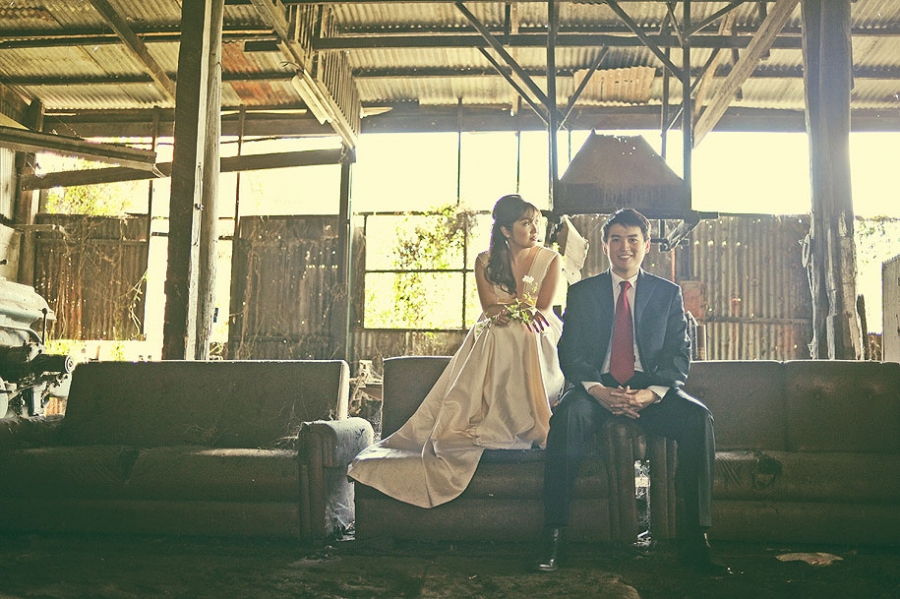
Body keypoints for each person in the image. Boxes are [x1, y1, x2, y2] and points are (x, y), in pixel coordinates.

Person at [534, 208, 731, 576]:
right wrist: (596, 390)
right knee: (566, 418)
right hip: (596, 389)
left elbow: (679, 354)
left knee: (697, 418)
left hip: (648, 390)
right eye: (616, 239)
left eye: (632, 239)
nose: (624, 247)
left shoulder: (667, 293)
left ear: (646, 245)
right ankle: (554, 535)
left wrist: (651, 394)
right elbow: (570, 352)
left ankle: (696, 540)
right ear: (605, 246)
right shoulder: (583, 292)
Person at [348, 194, 565, 508]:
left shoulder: (550, 259)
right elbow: (489, 307)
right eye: (525, 223)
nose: (535, 229)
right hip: (498, 328)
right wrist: (501, 313)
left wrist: (516, 313)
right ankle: (492, 419)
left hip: (539, 329)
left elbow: (542, 307)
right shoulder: (485, 261)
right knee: (497, 331)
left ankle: (526, 420)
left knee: (522, 333)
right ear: (506, 230)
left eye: (536, 222)